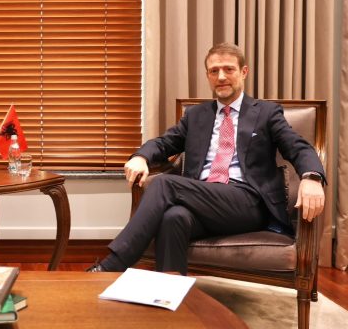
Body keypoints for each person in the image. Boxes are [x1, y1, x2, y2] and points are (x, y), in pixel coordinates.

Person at [88, 42, 326, 274]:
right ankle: (169, 293)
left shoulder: (266, 112)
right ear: (208, 76)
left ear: (243, 72)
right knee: (174, 217)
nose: (221, 77)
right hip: (202, 200)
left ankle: (112, 266)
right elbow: (164, 143)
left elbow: (298, 147)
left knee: (164, 184)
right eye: (214, 71)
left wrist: (312, 177)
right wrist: (141, 157)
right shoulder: (196, 115)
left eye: (228, 69)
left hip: (247, 202)